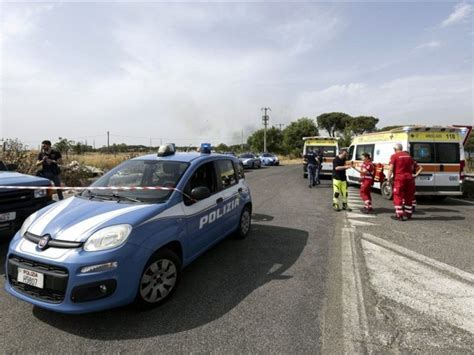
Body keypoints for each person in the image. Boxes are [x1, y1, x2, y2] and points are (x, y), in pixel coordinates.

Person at [386, 143, 416, 221]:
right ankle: (408, 214)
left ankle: (399, 215)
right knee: (408, 196)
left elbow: (391, 168)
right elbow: (412, 167)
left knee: (398, 195)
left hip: (399, 178)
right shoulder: (409, 156)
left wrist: (388, 178)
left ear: (395, 149)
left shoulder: (394, 156)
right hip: (409, 178)